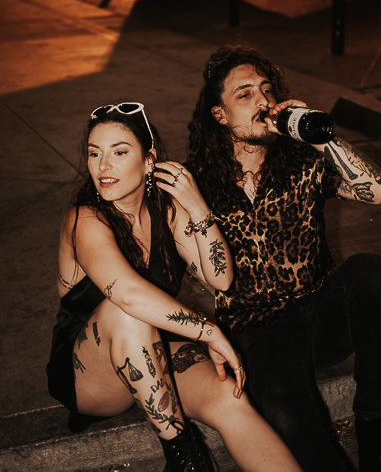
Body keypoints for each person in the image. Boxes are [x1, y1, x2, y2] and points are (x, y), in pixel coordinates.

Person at [47, 101, 302, 472]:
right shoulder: (84, 218)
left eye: (119, 152)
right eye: (94, 153)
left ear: (149, 160)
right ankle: (186, 458)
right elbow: (128, 294)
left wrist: (197, 208)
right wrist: (209, 330)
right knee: (125, 312)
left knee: (230, 398)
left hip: (156, 346)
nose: (103, 166)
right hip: (88, 370)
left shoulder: (165, 209)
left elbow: (221, 279)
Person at [186, 45, 381, 472]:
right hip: (260, 329)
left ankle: (372, 420)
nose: (263, 102)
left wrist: (321, 137)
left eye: (267, 90)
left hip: (320, 310)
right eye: (245, 94)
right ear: (220, 115)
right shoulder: (198, 184)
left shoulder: (303, 162)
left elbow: (379, 191)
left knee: (369, 271)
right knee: (293, 421)